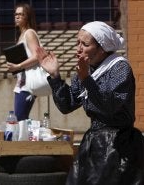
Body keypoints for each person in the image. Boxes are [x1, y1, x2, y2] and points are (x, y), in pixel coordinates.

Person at [36, 21, 144, 185]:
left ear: (101, 48)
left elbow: (109, 106)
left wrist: (86, 78)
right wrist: (55, 76)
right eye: (77, 42)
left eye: (85, 44)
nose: (78, 48)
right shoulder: (87, 69)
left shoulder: (119, 68)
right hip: (94, 141)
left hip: (119, 145)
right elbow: (67, 105)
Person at [6, 3, 43, 121]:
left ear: (27, 17)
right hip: (21, 82)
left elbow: (37, 56)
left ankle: (33, 137)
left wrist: (18, 66)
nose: (17, 17)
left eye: (21, 14)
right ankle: (27, 137)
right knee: (20, 118)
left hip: (28, 84)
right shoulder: (22, 34)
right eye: (16, 14)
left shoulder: (29, 33)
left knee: (20, 118)